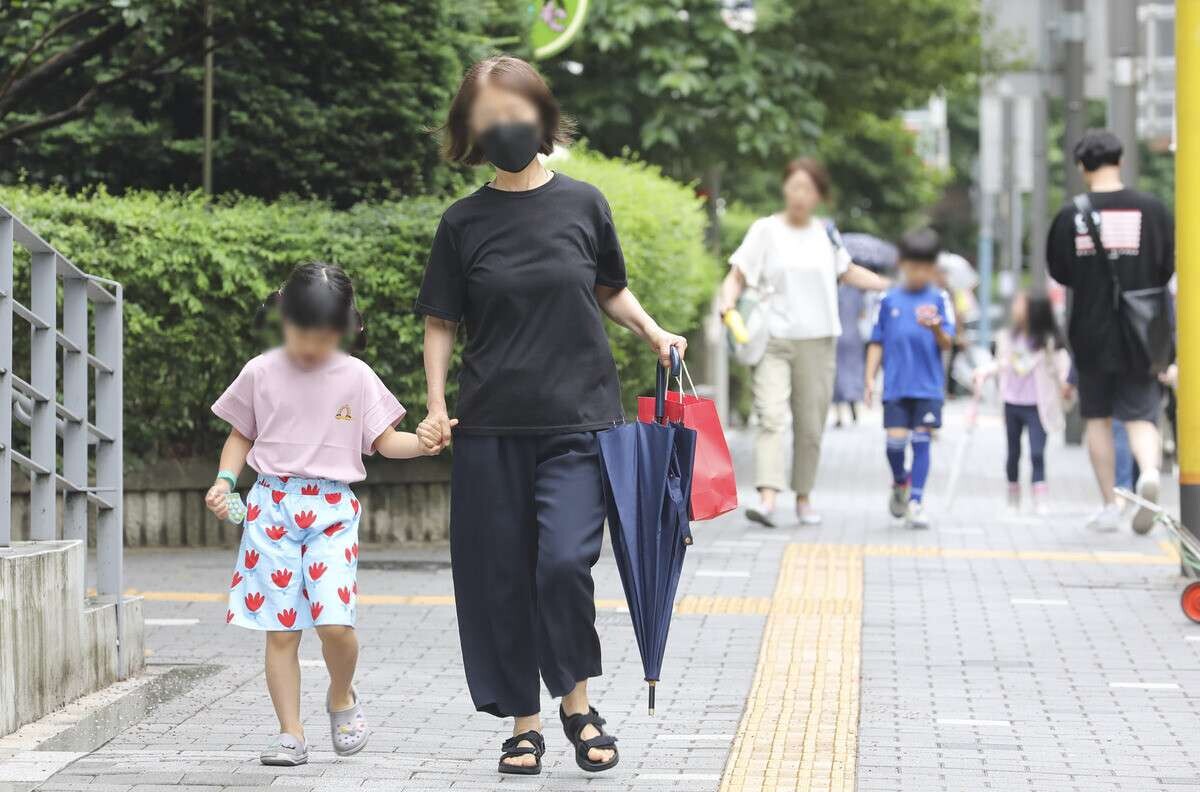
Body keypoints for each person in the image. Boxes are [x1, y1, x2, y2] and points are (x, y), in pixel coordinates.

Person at [415, 55, 687, 776]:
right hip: (490, 426)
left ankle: (577, 702)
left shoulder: (584, 204)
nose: (506, 124)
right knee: (500, 576)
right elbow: (440, 320)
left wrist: (655, 333)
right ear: (471, 130)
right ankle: (523, 723)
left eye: (516, 109)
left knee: (565, 562)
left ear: (541, 113)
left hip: (578, 420)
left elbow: (608, 289)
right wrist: (437, 404)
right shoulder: (462, 221)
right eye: (488, 115)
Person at [204, 263, 432, 766]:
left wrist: (423, 443)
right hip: (270, 508)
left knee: (335, 624)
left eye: (325, 334)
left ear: (345, 327)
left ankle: (341, 694)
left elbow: (383, 440)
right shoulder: (260, 371)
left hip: (331, 510)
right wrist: (225, 481)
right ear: (284, 317)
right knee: (282, 631)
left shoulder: (356, 375)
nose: (313, 344)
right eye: (304, 331)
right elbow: (241, 433)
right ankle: (290, 732)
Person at [718, 158, 889, 527]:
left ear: (819, 196)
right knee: (771, 416)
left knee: (811, 426)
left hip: (819, 341)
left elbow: (848, 271)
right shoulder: (765, 230)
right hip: (774, 339)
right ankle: (766, 498)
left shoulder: (826, 234)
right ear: (785, 188)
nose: (799, 195)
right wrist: (727, 301)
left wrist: (890, 286)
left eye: (807, 189)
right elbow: (738, 274)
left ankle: (804, 497)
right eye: (793, 186)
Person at [1046, 130, 1174, 533]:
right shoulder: (1152, 210)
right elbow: (1164, 267)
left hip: (1091, 329)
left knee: (1098, 418)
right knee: (1140, 415)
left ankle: (1109, 504)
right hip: (1141, 329)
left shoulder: (1073, 214)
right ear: (1120, 160)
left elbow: (1059, 271)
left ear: (1083, 166)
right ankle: (1150, 473)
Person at [864, 228, 955, 529]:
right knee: (894, 445)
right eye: (913, 266)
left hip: (928, 386)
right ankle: (900, 482)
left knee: (921, 441)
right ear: (901, 263)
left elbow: (948, 343)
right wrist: (869, 378)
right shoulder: (888, 299)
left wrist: (937, 328)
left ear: (933, 267)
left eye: (925, 267)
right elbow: (876, 341)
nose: (919, 273)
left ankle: (916, 502)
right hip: (896, 386)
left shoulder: (940, 298)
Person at [973, 292, 1071, 515]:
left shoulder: (1048, 341)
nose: (1015, 308)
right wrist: (983, 373)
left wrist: (1066, 383)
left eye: (1021, 304)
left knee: (1037, 452)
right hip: (1012, 403)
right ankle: (1013, 495)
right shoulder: (1008, 337)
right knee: (1013, 453)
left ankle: (1040, 497)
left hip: (1038, 405)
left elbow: (1062, 364)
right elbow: (1001, 363)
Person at [832, 283, 866, 427]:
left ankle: (839, 415)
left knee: (837, 373)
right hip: (853, 336)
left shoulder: (833, 291)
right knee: (854, 371)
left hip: (836, 336)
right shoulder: (857, 293)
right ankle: (854, 407)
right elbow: (862, 315)